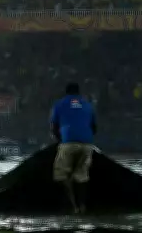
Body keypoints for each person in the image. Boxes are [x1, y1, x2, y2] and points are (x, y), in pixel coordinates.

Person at [50, 82, 97, 214]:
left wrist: (60, 140)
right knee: (82, 175)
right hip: (87, 144)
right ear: (79, 92)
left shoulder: (59, 104)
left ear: (66, 92)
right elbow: (94, 128)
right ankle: (82, 206)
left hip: (68, 143)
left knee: (61, 175)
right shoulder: (88, 105)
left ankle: (72, 206)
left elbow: (54, 127)